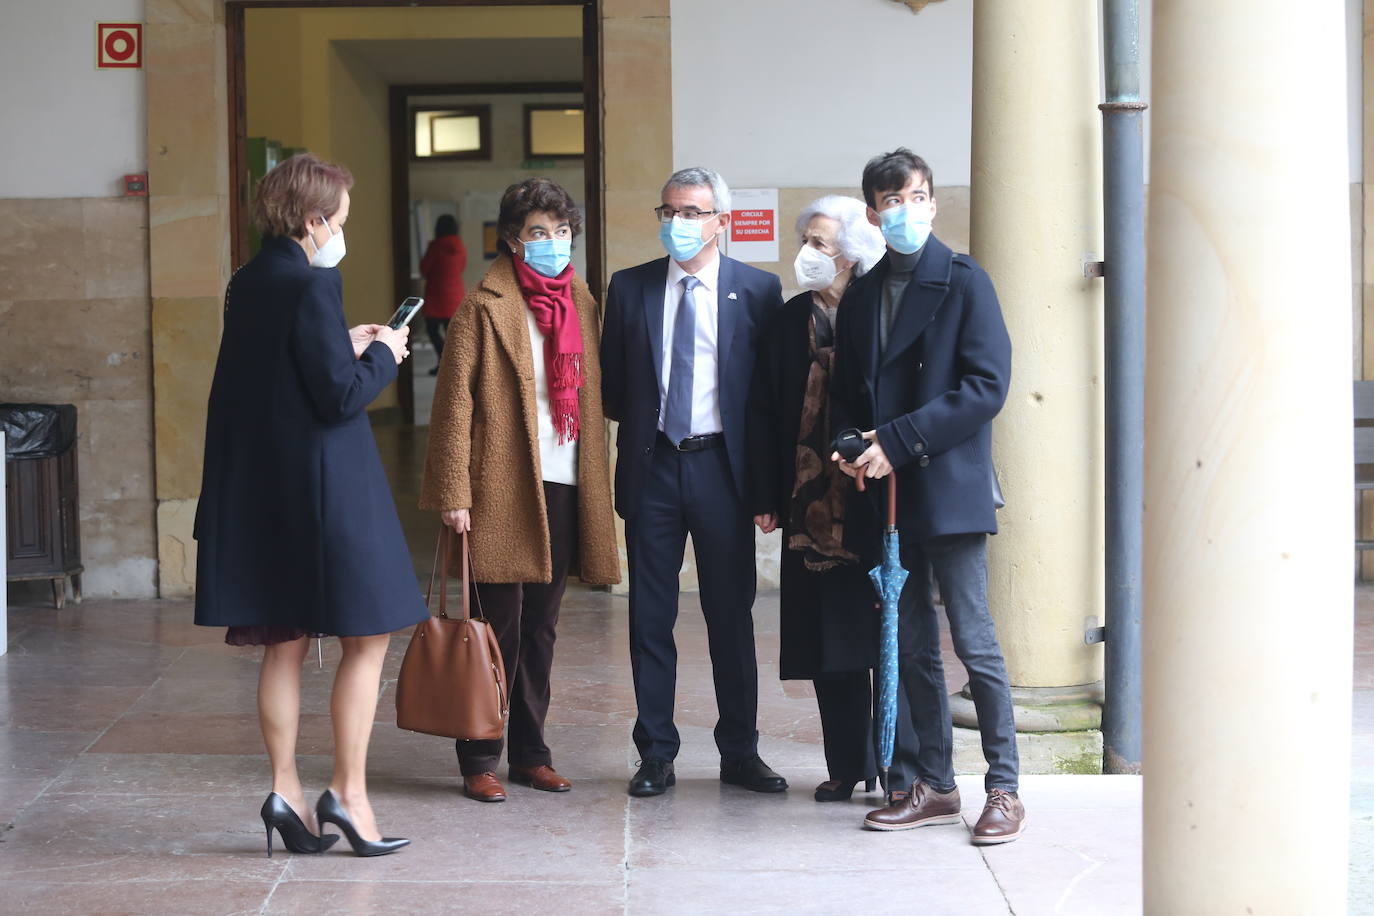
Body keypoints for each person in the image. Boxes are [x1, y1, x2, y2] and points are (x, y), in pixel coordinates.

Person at [193, 153, 423, 858]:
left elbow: (279, 369)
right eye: (340, 222)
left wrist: (345, 342)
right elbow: (338, 398)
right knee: (369, 635)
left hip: (263, 492)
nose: (341, 234)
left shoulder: (251, 280)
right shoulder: (314, 282)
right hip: (328, 488)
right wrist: (386, 354)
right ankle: (348, 796)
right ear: (313, 219)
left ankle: (283, 789)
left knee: (284, 642)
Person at [829, 148, 1026, 844]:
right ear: (874, 212)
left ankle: (1003, 788)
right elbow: (847, 395)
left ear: (933, 203)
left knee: (974, 639)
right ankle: (933, 785)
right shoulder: (861, 293)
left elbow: (984, 387)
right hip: (883, 495)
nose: (904, 210)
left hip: (947, 485)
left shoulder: (966, 281)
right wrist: (849, 446)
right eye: (890, 200)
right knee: (909, 644)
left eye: (915, 197)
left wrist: (899, 440)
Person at [420, 177, 620, 803]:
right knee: (493, 625)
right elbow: (453, 405)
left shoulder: (581, 299)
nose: (554, 244)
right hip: (500, 484)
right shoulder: (483, 304)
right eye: (539, 233)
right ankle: (480, 753)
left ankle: (532, 752)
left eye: (562, 233)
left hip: (564, 479)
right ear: (512, 239)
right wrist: (454, 491)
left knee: (543, 626)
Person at [601, 167, 787, 798]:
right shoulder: (629, 288)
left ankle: (740, 751)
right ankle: (655, 752)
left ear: (721, 222)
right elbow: (615, 388)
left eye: (691, 212)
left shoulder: (758, 291)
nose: (676, 224)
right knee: (649, 616)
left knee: (729, 615)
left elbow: (765, 401)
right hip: (654, 466)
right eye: (668, 211)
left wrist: (767, 490)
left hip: (722, 472)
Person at [747, 195, 913, 803]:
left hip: (876, 501)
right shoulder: (791, 319)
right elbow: (763, 411)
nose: (810, 254)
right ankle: (846, 765)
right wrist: (765, 495)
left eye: (823, 243)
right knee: (829, 642)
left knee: (890, 638)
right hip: (808, 506)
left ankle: (900, 768)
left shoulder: (883, 313)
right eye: (808, 241)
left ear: (857, 252)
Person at [418, 213, 467, 375]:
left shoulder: (435, 247)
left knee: (432, 330)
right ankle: (455, 365)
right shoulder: (460, 247)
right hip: (455, 297)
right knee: (453, 334)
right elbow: (462, 267)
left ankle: (442, 361)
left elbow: (424, 269)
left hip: (437, 295)